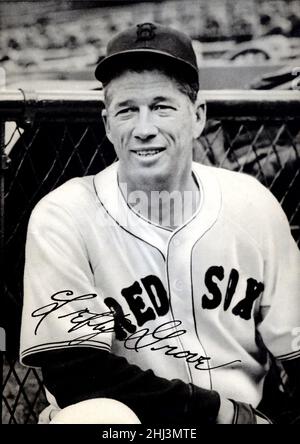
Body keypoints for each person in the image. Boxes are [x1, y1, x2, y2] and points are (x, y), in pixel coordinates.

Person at [19, 22, 300, 424]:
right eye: (127, 110)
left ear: (198, 116)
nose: (144, 128)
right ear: (106, 124)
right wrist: (226, 415)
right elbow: (76, 374)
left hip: (250, 416)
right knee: (93, 417)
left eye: (162, 106)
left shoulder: (252, 204)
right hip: (137, 427)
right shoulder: (64, 215)